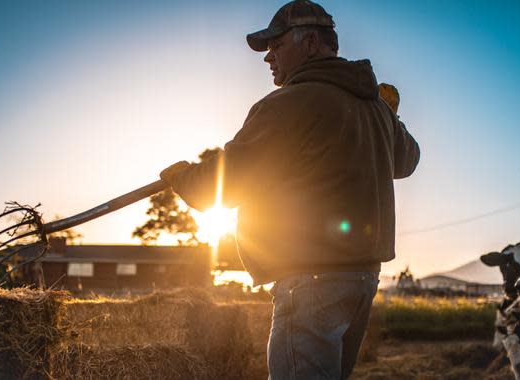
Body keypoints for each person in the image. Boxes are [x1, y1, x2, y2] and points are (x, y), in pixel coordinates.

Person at [159, 1, 420, 378]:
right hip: (362, 279)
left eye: (276, 46)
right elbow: (406, 161)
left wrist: (182, 176)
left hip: (312, 281)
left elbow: (225, 185)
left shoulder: (288, 104)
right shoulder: (375, 107)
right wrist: (390, 117)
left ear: (311, 44)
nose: (268, 58)